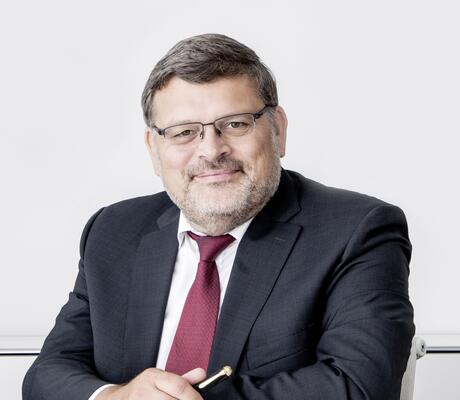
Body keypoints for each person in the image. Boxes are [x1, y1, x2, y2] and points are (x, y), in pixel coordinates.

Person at [23, 33, 414, 400]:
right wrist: (115, 396)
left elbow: (358, 387)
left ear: (278, 130)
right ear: (153, 150)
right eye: (183, 132)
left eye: (235, 124)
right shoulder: (113, 230)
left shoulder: (356, 231)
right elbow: (48, 374)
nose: (211, 151)